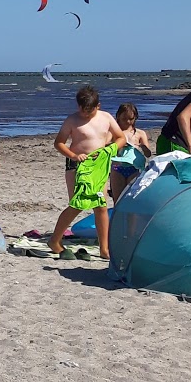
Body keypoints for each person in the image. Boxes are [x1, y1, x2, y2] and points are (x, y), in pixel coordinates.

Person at [50, 85, 127, 258]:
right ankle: (55, 240)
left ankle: (104, 249)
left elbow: (121, 137)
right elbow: (59, 143)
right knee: (77, 204)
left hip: (98, 166)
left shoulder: (106, 117)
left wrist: (111, 149)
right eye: (83, 111)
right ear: (78, 107)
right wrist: (74, 155)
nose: (86, 114)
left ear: (97, 106)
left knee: (101, 206)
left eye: (89, 111)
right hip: (77, 166)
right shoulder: (72, 120)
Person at [109, 103, 153, 203]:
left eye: (131, 119)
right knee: (118, 199)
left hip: (134, 168)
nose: (128, 122)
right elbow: (105, 146)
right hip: (117, 168)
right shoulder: (114, 132)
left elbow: (148, 154)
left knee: (131, 199)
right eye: (124, 119)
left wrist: (142, 147)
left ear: (135, 118)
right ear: (118, 117)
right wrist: (116, 145)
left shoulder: (140, 133)